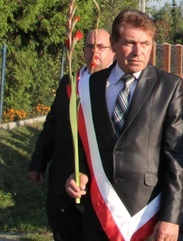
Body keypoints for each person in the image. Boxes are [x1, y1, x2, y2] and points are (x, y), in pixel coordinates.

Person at [66, 9, 183, 240]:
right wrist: (79, 172)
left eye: (145, 43)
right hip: (99, 207)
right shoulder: (90, 86)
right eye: (130, 43)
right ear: (113, 43)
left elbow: (177, 156)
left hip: (146, 210)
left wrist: (171, 218)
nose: (138, 52)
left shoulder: (169, 86)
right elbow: (82, 140)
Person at [28, 28, 113, 241]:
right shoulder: (69, 82)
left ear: (113, 52)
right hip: (62, 179)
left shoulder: (116, 86)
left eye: (101, 47)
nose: (95, 51)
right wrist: (38, 161)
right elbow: (53, 124)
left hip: (99, 186)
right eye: (90, 46)